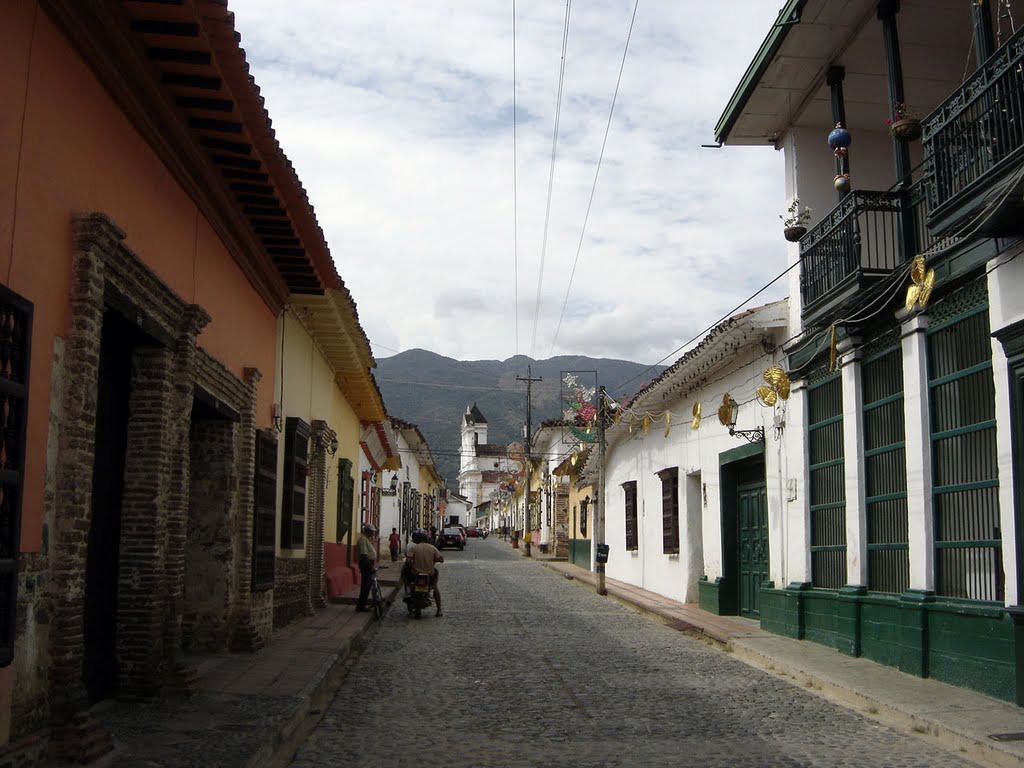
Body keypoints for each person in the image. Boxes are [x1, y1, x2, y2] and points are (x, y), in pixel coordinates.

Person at [405, 528, 445, 617]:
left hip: (415, 574)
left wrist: (412, 566)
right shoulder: (432, 548)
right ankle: (439, 610)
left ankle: (408, 589)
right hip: (429, 574)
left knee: (406, 575)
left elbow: (408, 561)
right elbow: (441, 559)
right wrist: (436, 560)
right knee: (435, 588)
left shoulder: (414, 548)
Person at [355, 523, 377, 612]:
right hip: (366, 564)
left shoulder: (366, 539)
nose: (373, 534)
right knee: (365, 586)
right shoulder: (363, 539)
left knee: (367, 585)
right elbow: (364, 555)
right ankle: (361, 606)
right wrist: (370, 567)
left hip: (367, 564)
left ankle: (362, 605)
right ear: (367, 531)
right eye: (372, 532)